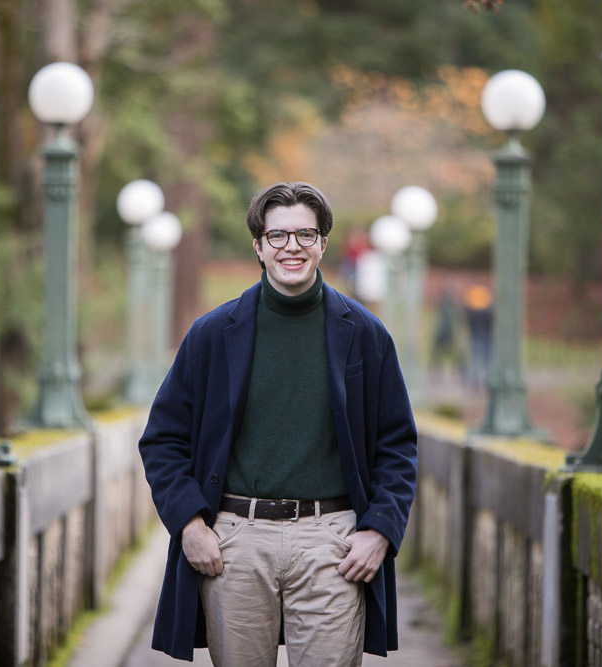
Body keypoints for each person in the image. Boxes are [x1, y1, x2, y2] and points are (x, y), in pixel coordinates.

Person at [138, 182, 418, 666]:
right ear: (259, 245)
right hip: (235, 542)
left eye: (306, 234)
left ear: (323, 243)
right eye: (279, 236)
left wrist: (380, 530)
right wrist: (189, 524)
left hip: (333, 541)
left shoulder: (366, 335)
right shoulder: (211, 335)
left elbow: (398, 446)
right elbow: (163, 439)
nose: (292, 246)